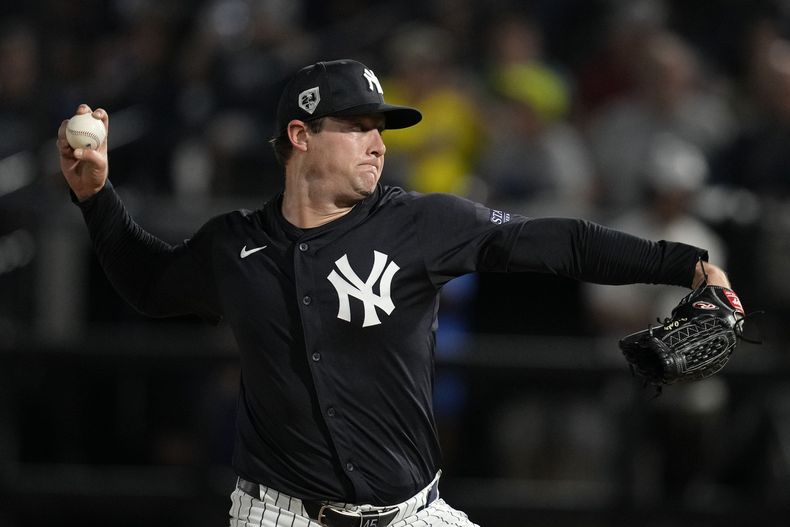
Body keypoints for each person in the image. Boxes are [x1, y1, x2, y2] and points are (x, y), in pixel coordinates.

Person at [57, 59, 733, 527]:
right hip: (281, 512)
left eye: (381, 127)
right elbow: (150, 286)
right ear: (300, 135)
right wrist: (96, 197)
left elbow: (562, 242)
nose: (377, 143)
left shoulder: (421, 224)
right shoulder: (234, 245)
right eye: (357, 126)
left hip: (413, 510)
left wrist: (688, 265)